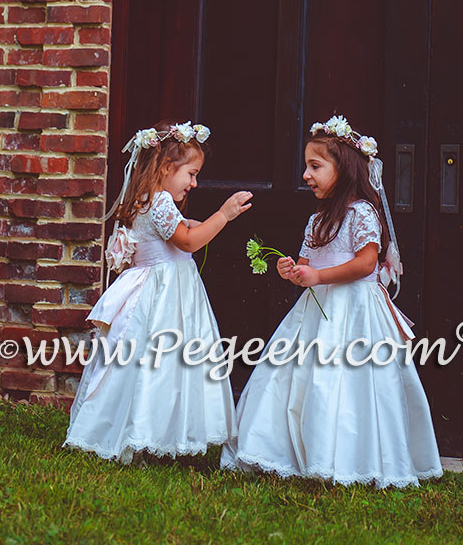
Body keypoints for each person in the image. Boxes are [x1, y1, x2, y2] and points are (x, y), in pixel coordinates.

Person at [222, 115, 442, 488]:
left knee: (350, 382)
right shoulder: (317, 220)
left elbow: (366, 263)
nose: (306, 175)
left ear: (345, 169)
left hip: (354, 314)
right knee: (302, 379)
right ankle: (288, 449)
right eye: (306, 166)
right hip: (315, 315)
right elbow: (307, 264)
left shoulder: (362, 213)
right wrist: (291, 269)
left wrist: (319, 277)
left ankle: (351, 455)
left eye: (315, 166)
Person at [64, 119, 252, 464]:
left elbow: (176, 230)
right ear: (166, 167)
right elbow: (188, 240)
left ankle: (143, 429)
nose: (194, 183)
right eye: (191, 174)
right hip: (164, 294)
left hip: (156, 289)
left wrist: (197, 222)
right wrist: (223, 215)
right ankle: (149, 431)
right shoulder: (162, 202)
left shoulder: (146, 199)